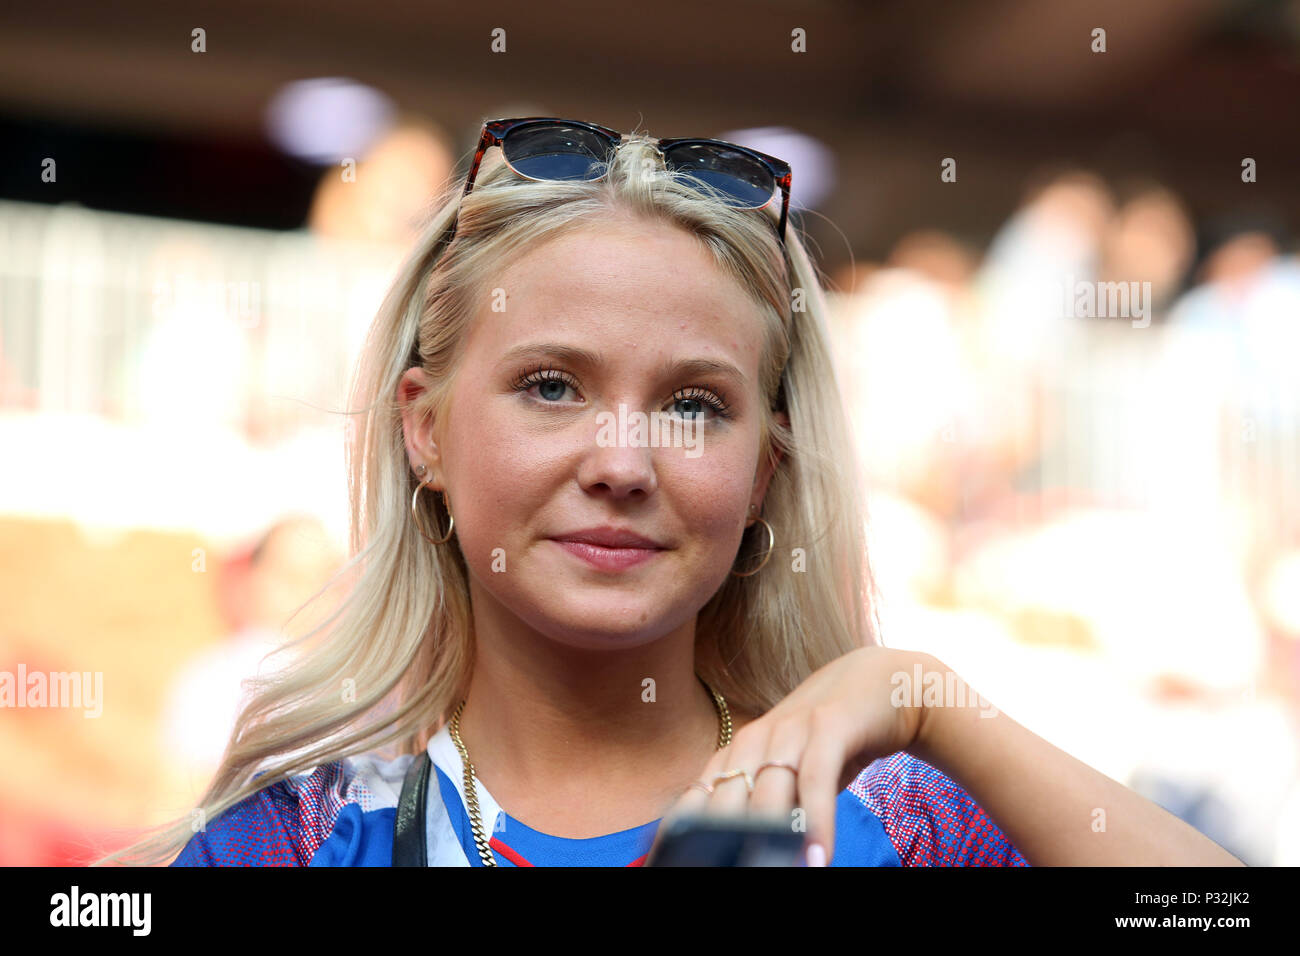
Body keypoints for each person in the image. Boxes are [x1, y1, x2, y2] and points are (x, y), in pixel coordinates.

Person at [101, 117, 1242, 867]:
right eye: (551, 385)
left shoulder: (889, 820)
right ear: (424, 427)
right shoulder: (308, 835)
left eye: (694, 404)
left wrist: (924, 697)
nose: (622, 459)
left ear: (765, 469)